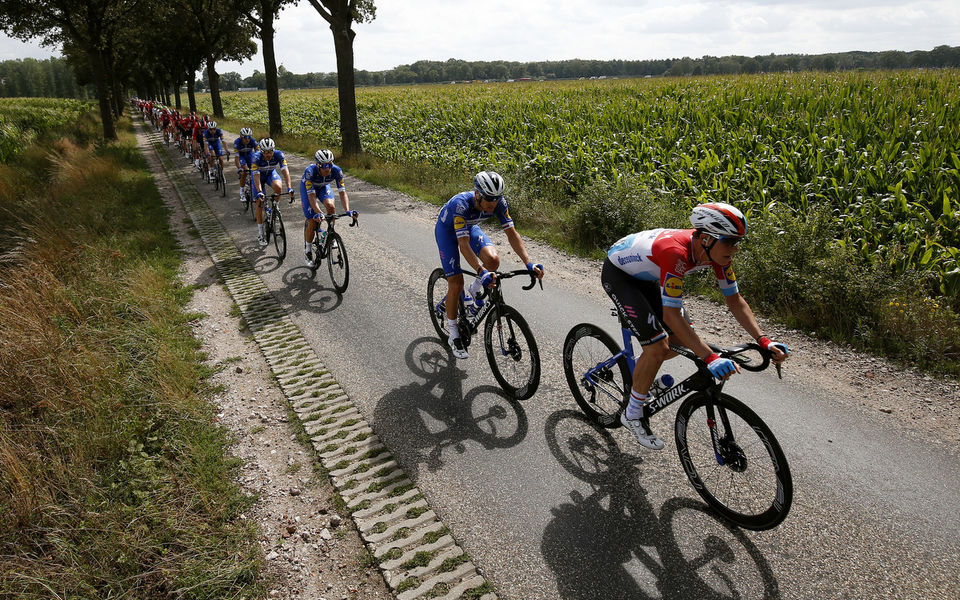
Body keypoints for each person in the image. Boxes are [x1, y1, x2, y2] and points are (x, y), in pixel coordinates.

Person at [602, 202, 789, 450]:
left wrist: (763, 339)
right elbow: (670, 316)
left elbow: (734, 300)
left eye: (738, 242)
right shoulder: (675, 253)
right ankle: (632, 413)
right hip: (621, 275)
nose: (734, 249)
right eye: (729, 241)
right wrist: (710, 357)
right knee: (658, 346)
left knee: (678, 341)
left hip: (649, 276)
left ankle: (643, 371)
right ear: (705, 239)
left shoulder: (718, 254)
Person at [434, 171, 544, 359]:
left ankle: (474, 288)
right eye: (489, 199)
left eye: (497, 198)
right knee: (455, 283)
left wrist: (529, 263)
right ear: (477, 194)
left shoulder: (499, 203)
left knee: (493, 260)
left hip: (469, 228)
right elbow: (463, 245)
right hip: (447, 233)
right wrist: (480, 270)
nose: (493, 203)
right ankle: (453, 335)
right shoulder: (461, 205)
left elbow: (512, 234)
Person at [299, 149, 357, 267]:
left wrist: (347, 210)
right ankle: (308, 251)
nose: (327, 168)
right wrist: (319, 212)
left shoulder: (337, 171)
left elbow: (342, 193)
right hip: (309, 191)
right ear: (318, 164)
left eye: (330, 164)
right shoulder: (310, 171)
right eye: (324, 165)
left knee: (331, 207)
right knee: (312, 221)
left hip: (323, 187)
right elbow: (311, 197)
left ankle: (330, 233)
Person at [251, 138, 294, 246]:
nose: (268, 154)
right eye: (265, 152)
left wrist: (289, 188)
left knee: (278, 187)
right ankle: (261, 233)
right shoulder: (256, 158)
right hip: (259, 177)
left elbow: (285, 172)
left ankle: (276, 206)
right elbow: (256, 176)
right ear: (261, 151)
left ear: (273, 150)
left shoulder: (279, 155)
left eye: (270, 151)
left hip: (270, 174)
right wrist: (260, 192)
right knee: (259, 203)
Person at [233, 127, 259, 203]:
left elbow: (258, 154)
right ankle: (241, 192)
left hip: (250, 155)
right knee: (245, 171)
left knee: (254, 171)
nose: (247, 139)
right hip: (241, 156)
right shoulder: (237, 142)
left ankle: (253, 188)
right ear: (241, 137)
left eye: (249, 137)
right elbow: (237, 158)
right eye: (245, 137)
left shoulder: (253, 141)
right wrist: (239, 168)